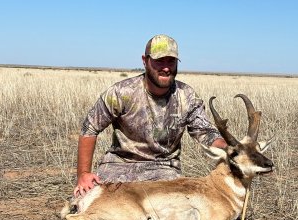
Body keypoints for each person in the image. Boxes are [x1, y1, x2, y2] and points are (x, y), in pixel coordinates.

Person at [73, 34, 226, 197]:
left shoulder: (186, 96)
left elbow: (206, 133)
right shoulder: (121, 92)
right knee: (84, 200)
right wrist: (83, 174)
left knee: (174, 211)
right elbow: (89, 128)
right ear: (145, 61)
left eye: (171, 61)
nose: (166, 68)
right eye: (159, 61)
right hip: (118, 166)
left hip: (164, 169)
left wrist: (230, 148)